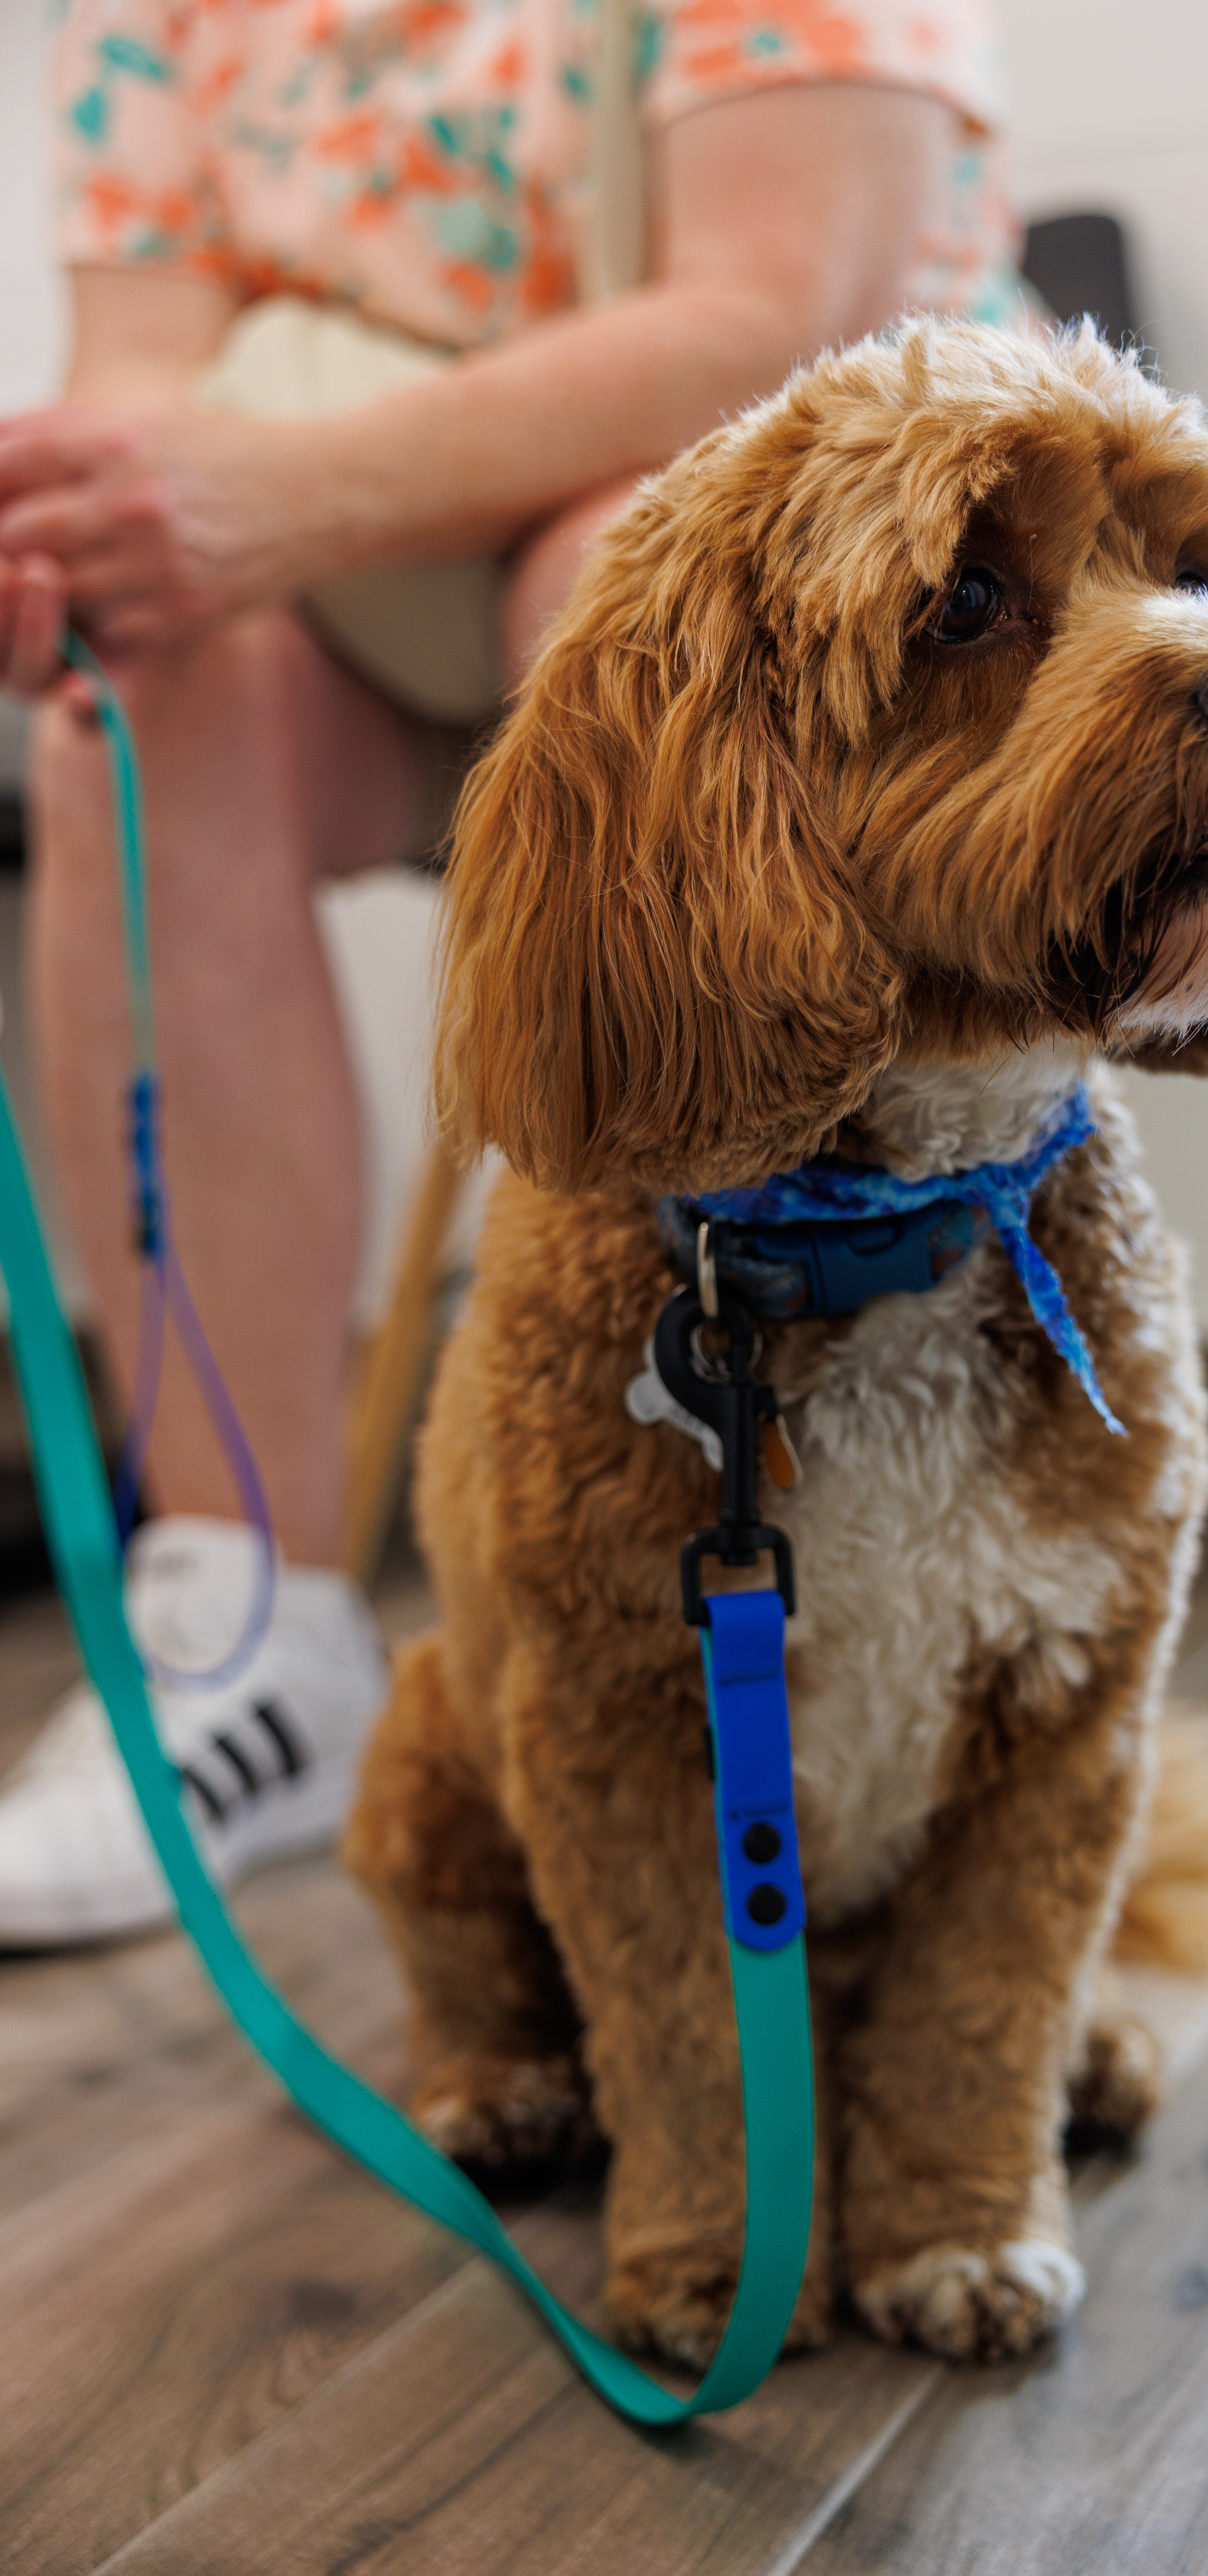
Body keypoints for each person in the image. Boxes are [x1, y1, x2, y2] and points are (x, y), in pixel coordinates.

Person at [0, 0, 1020, 1945]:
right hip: (376, 603)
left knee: (625, 603)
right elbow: (138, 400)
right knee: (129, 695)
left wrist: (271, 500)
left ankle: (811, 1546)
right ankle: (241, 1631)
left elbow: (773, 308)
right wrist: (84, 552)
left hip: (749, 513)